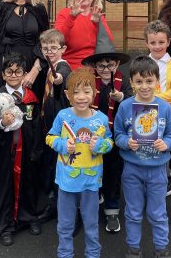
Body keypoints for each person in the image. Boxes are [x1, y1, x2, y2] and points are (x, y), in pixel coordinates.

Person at [114, 56, 171, 258]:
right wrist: (126, 142)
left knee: (157, 213)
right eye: (139, 81)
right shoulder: (125, 106)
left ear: (157, 82)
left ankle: (161, 249)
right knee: (133, 212)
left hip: (158, 169)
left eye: (149, 81)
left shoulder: (165, 107)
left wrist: (166, 143)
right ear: (131, 83)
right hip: (132, 168)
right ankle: (133, 249)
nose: (144, 86)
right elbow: (118, 134)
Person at [46, 67, 113, 258]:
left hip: (91, 182)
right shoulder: (63, 116)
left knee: (91, 223)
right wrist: (61, 144)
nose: (81, 97)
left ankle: (93, 254)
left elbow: (109, 142)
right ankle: (64, 254)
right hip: (66, 181)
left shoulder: (100, 119)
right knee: (65, 224)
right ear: (68, 95)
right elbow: (50, 137)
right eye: (76, 92)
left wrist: (100, 145)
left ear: (94, 93)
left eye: (86, 91)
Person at [0, 53, 43, 246]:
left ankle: (28, 218)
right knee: (4, 188)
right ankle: (5, 225)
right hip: (4, 152)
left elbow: (36, 125)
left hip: (26, 151)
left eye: (18, 71)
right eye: (9, 71)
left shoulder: (31, 98)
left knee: (29, 183)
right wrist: (2, 123)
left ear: (25, 73)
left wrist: (36, 149)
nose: (14, 75)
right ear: (3, 74)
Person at [81, 20, 132, 234]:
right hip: (91, 138)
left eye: (110, 65)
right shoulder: (87, 80)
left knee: (112, 173)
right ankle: (92, 205)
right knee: (91, 172)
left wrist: (121, 98)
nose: (105, 69)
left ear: (116, 65)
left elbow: (134, 106)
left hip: (114, 138)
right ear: (94, 66)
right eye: (100, 65)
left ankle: (111, 210)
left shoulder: (125, 80)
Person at [144, 20, 171, 196]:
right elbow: (134, 85)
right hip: (146, 111)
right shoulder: (142, 64)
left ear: (168, 42)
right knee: (149, 142)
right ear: (147, 43)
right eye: (153, 42)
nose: (157, 46)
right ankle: (149, 175)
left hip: (170, 111)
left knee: (169, 142)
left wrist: (154, 97)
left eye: (161, 42)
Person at [38, 29, 72, 223]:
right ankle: (54, 205)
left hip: (60, 128)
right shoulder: (49, 67)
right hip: (50, 124)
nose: (49, 51)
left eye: (53, 48)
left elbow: (61, 79)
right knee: (52, 166)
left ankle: (63, 210)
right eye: (45, 48)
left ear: (63, 49)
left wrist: (59, 80)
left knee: (59, 166)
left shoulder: (62, 68)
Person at [55, 0, 114, 70]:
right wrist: (72, 17)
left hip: (96, 67)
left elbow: (109, 42)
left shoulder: (97, 14)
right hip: (70, 67)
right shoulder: (64, 14)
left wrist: (98, 23)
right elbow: (58, 41)